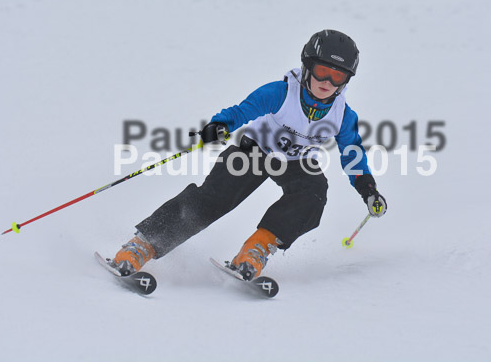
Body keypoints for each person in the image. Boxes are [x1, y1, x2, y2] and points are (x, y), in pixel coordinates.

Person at [108, 29, 388, 280]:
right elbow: (242, 110)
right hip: (254, 150)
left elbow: (352, 153)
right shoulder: (281, 92)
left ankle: (256, 249)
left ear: (345, 81)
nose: (326, 81)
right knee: (213, 199)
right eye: (321, 71)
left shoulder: (343, 115)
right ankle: (141, 246)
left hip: (296, 161)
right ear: (307, 67)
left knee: (313, 194)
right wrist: (220, 125)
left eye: (337, 75)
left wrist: (367, 188)